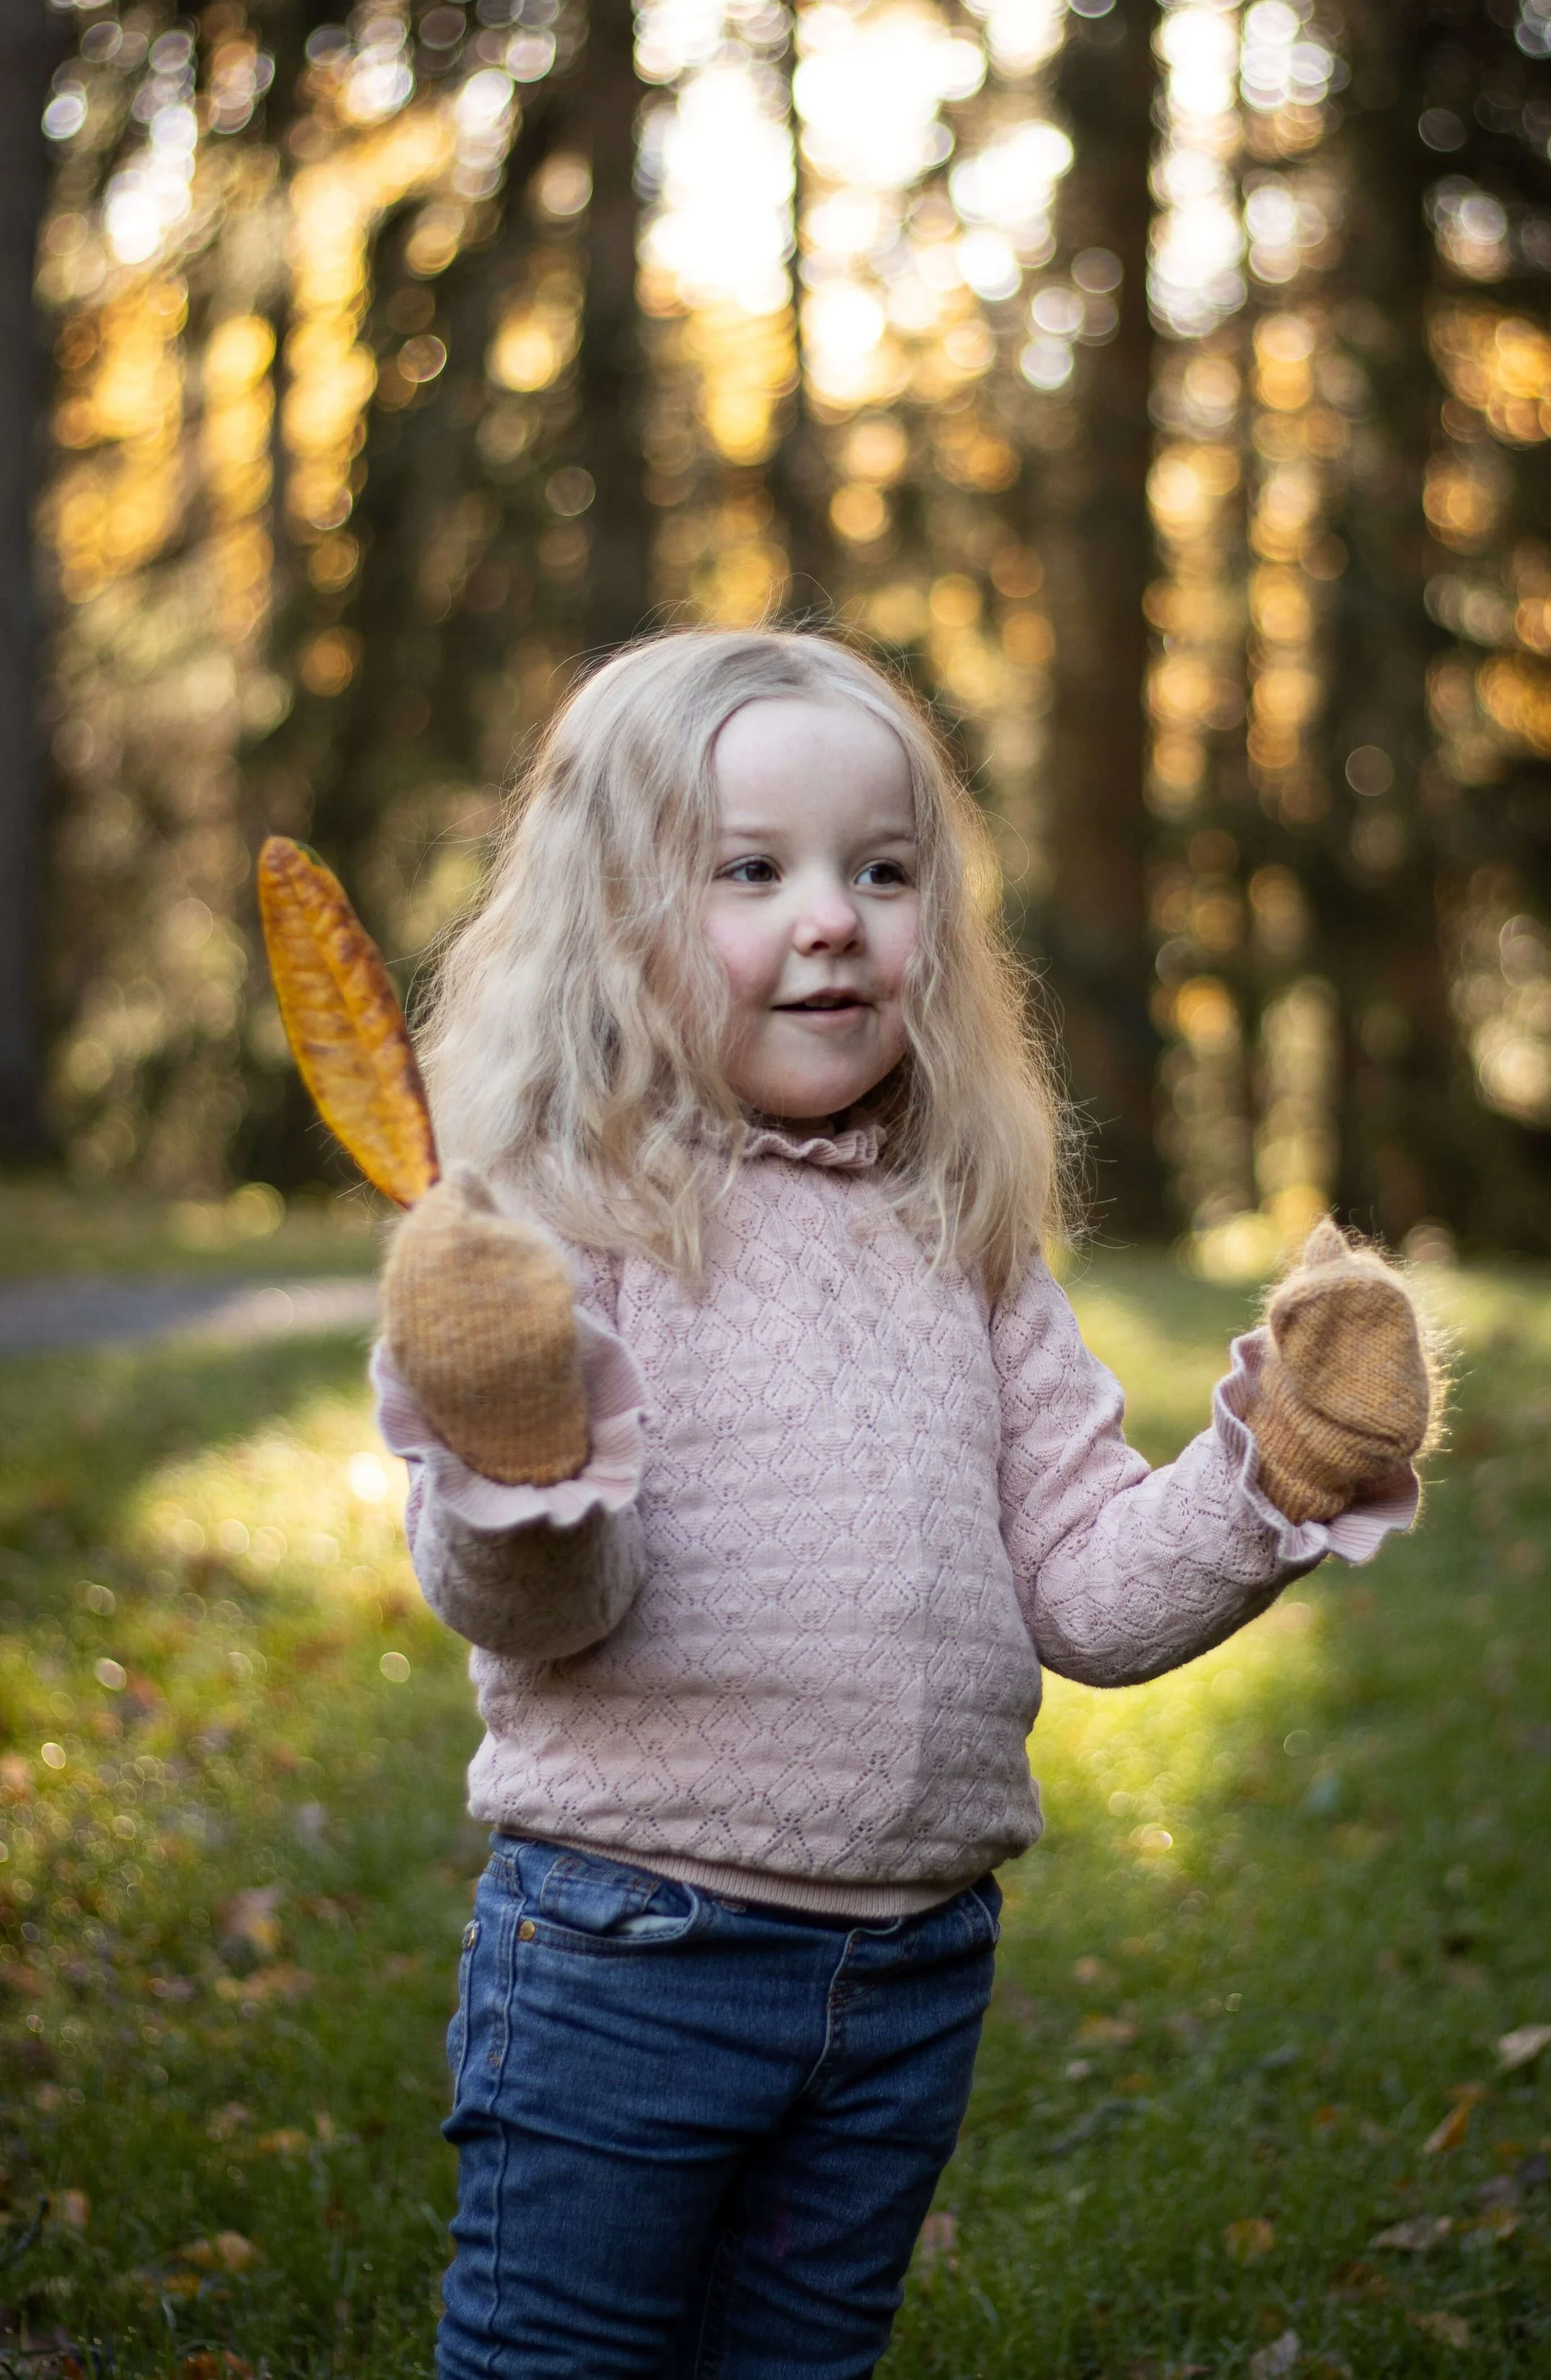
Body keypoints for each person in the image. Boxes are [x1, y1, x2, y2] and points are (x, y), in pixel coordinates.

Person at [373, 627, 1439, 2380]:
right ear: (608, 926)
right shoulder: (554, 1228)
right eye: (750, 871)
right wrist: (521, 1445)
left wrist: (1273, 1477)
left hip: (912, 1974)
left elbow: (1085, 1595)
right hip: (633, 1950)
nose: (831, 919)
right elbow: (541, 1610)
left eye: (882, 872)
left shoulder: (963, 1237)